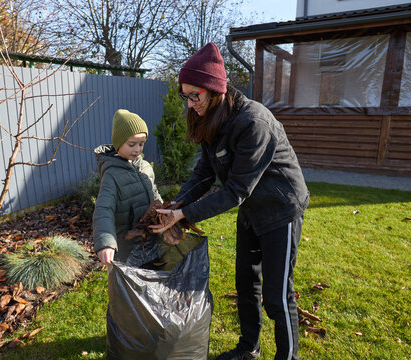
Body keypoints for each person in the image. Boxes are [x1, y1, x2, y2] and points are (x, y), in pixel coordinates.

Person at [150, 43, 310, 360]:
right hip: (252, 210)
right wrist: (175, 206)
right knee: (246, 283)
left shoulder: (254, 123)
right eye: (185, 95)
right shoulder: (211, 118)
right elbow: (205, 173)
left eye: (195, 95)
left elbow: (236, 190)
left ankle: (287, 356)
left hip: (280, 209)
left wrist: (183, 214)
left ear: (215, 90)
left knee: (276, 295)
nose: (190, 103)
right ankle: (249, 347)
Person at [93, 109, 162, 265]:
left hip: (151, 238)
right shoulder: (111, 175)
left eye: (141, 144)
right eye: (132, 144)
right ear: (118, 144)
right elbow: (104, 209)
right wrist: (106, 242)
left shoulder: (145, 167)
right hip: (128, 246)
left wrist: (165, 215)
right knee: (134, 286)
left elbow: (154, 192)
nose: (137, 149)